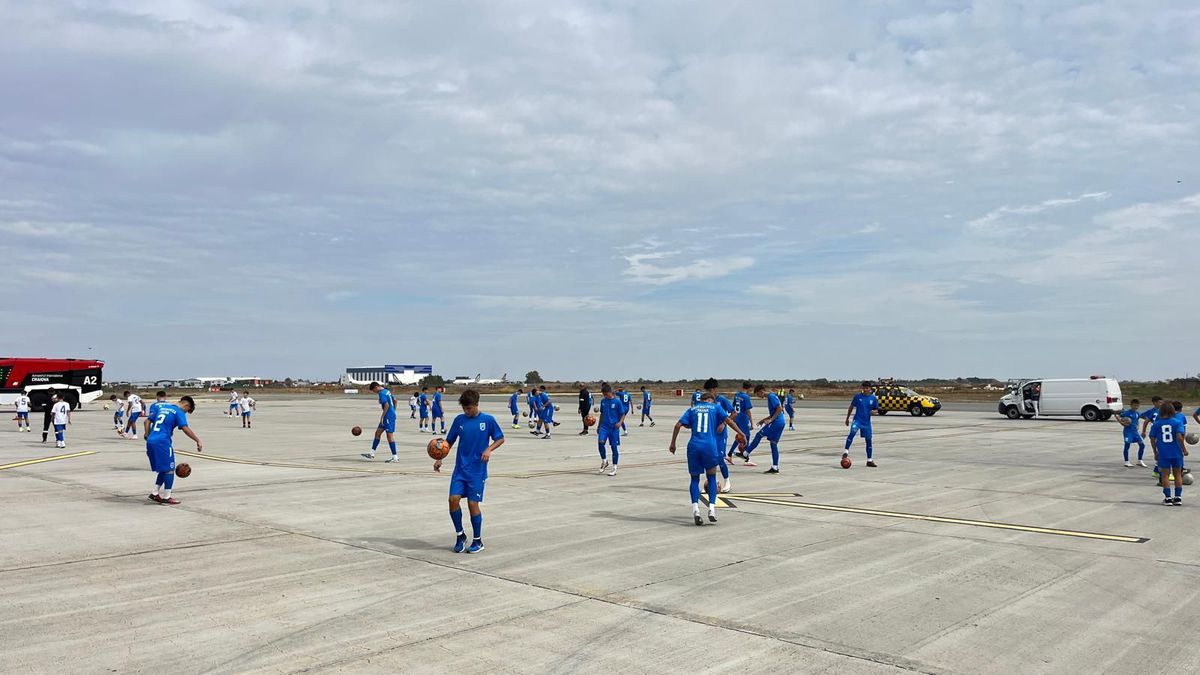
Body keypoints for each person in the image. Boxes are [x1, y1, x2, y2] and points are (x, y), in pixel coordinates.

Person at [435, 389, 504, 554]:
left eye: (469, 408)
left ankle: (478, 541)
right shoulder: (459, 420)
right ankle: (460, 536)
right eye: (465, 408)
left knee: (473, 504)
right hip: (460, 469)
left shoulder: (488, 420)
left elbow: (500, 438)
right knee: (453, 499)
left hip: (477, 470)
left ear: (476, 404)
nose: (467, 411)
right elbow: (448, 442)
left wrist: (489, 449)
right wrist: (440, 457)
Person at [670, 392, 745, 526]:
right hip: (710, 447)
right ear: (711, 400)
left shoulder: (692, 409)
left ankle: (696, 510)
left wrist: (673, 443)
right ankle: (711, 510)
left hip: (693, 447)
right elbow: (729, 421)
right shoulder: (715, 408)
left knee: (694, 479)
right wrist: (741, 433)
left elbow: (678, 425)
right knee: (711, 478)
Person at [145, 395, 203, 505]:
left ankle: (155, 493)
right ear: (186, 406)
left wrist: (147, 435)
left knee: (164, 468)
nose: (185, 413)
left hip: (151, 441)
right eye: (187, 411)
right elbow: (185, 428)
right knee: (170, 469)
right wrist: (197, 440)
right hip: (163, 442)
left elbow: (146, 422)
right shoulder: (179, 412)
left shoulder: (162, 408)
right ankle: (167, 497)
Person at [704, 378, 740, 493]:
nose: (709, 392)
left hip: (720, 435)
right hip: (709, 434)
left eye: (710, 390)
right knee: (708, 458)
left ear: (715, 389)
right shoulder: (706, 401)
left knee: (719, 458)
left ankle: (727, 481)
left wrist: (724, 424)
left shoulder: (722, 400)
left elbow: (734, 412)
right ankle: (710, 483)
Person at [1150, 401, 1188, 505]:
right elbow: (1180, 437)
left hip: (1163, 453)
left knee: (1165, 476)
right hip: (1176, 452)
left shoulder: (1157, 424)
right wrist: (1184, 449)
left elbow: (1152, 438)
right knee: (1178, 475)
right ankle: (1178, 497)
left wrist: (1155, 452)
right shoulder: (1177, 422)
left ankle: (1167, 498)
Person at [745, 385, 787, 474]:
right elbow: (775, 411)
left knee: (759, 434)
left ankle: (745, 453)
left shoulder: (771, 396)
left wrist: (771, 420)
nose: (759, 397)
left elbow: (779, 409)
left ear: (761, 391)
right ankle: (775, 467)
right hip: (781, 422)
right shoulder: (772, 396)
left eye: (758, 394)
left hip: (777, 422)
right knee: (773, 444)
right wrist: (763, 420)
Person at [843, 381, 880, 467]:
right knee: (851, 433)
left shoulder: (873, 398)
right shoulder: (858, 397)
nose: (865, 389)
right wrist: (847, 418)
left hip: (866, 423)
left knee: (868, 441)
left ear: (870, 388)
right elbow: (851, 406)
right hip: (857, 420)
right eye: (864, 388)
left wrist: (874, 412)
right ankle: (845, 452)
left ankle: (869, 460)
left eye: (867, 388)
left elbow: (876, 410)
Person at [361, 382, 399, 462]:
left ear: (376, 387)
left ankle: (395, 457)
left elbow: (387, 405)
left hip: (387, 416)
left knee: (389, 436)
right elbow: (395, 400)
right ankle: (372, 453)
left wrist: (382, 417)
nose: (374, 392)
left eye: (374, 390)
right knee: (377, 433)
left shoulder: (381, 393)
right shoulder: (387, 391)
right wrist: (394, 411)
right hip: (390, 415)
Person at [596, 383, 625, 476]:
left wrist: (620, 423)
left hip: (613, 428)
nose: (604, 396)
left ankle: (614, 467)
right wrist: (598, 426)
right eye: (603, 395)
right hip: (604, 427)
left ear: (609, 392)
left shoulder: (617, 402)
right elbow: (602, 414)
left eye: (605, 394)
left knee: (614, 447)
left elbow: (622, 414)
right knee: (600, 443)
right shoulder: (603, 401)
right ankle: (604, 461)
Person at [728, 382, 755, 461]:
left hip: (737, 418)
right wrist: (751, 422)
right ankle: (745, 456)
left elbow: (733, 406)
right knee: (746, 436)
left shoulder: (737, 395)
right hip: (743, 418)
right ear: (749, 388)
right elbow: (748, 410)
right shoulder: (746, 397)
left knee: (740, 436)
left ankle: (730, 454)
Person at [1117, 399, 1146, 467]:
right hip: (1128, 432)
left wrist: (1138, 426)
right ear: (1131, 405)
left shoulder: (1137, 413)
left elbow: (1137, 420)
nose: (1136, 407)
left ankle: (1140, 460)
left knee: (1142, 445)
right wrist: (1121, 423)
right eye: (1134, 405)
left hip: (1135, 432)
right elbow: (1118, 416)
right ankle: (1126, 461)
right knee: (1127, 445)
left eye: (1137, 405)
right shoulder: (1127, 413)